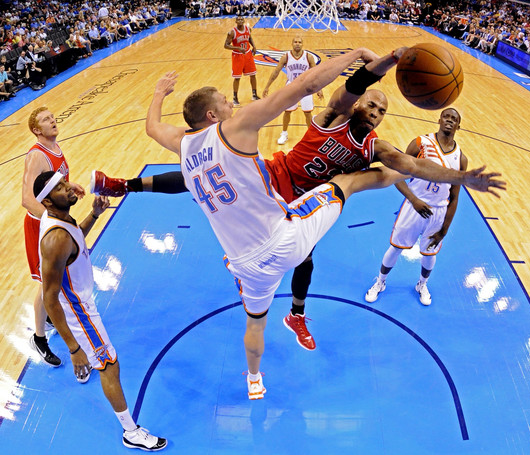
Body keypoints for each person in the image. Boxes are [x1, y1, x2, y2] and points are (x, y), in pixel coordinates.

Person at [141, 49, 504, 399]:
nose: (375, 112)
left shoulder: (374, 147)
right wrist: (385, 62)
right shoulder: (335, 117)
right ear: (359, 104)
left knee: (313, 251)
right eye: (372, 104)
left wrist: (460, 177)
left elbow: (410, 165)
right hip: (277, 184)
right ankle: (135, 187)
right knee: (348, 187)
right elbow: (349, 88)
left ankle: (295, 315)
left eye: (382, 110)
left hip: (297, 211)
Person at [34, 172, 167, 452]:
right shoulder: (54, 239)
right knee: (109, 364)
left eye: (64, 182)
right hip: (78, 310)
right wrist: (73, 348)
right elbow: (49, 299)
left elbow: (75, 242)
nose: (68, 188)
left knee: (96, 358)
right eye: (59, 188)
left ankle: (83, 365)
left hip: (78, 301)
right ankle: (131, 431)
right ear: (46, 201)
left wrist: (93, 215)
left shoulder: (61, 221)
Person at [365, 108, 464, 305]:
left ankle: (422, 284)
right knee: (395, 248)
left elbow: (454, 197)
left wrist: (444, 230)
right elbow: (395, 173)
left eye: (454, 119)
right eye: (447, 116)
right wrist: (413, 199)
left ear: (458, 126)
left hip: (438, 212)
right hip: (413, 206)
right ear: (439, 119)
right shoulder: (421, 143)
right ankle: (380, 282)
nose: (450, 120)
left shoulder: (461, 158)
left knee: (429, 254)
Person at [22, 107, 85, 367]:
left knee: (58, 279)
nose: (53, 120)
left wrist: (71, 186)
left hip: (53, 224)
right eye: (46, 119)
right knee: (46, 285)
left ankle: (49, 317)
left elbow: (54, 183)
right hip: (41, 227)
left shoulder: (55, 147)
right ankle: (39, 338)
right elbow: (27, 199)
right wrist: (54, 220)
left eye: (52, 116)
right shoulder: (37, 155)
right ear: (37, 129)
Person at [262, 36, 324, 145]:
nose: (297, 44)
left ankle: (310, 135)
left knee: (308, 112)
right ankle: (284, 133)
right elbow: (276, 72)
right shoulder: (286, 57)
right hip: (291, 85)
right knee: (287, 111)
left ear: (302, 44)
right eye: (295, 42)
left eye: (300, 42)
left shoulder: (308, 57)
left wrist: (319, 88)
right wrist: (267, 86)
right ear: (292, 43)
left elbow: (316, 74)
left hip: (306, 86)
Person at [224, 15, 259, 107]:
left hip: (248, 54)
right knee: (237, 77)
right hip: (237, 56)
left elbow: (249, 38)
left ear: (244, 21)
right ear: (235, 21)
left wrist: (254, 46)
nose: (240, 21)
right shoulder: (232, 32)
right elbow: (226, 45)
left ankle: (254, 94)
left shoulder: (248, 29)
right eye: (238, 19)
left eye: (241, 19)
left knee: (253, 74)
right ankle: (235, 98)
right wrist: (238, 48)